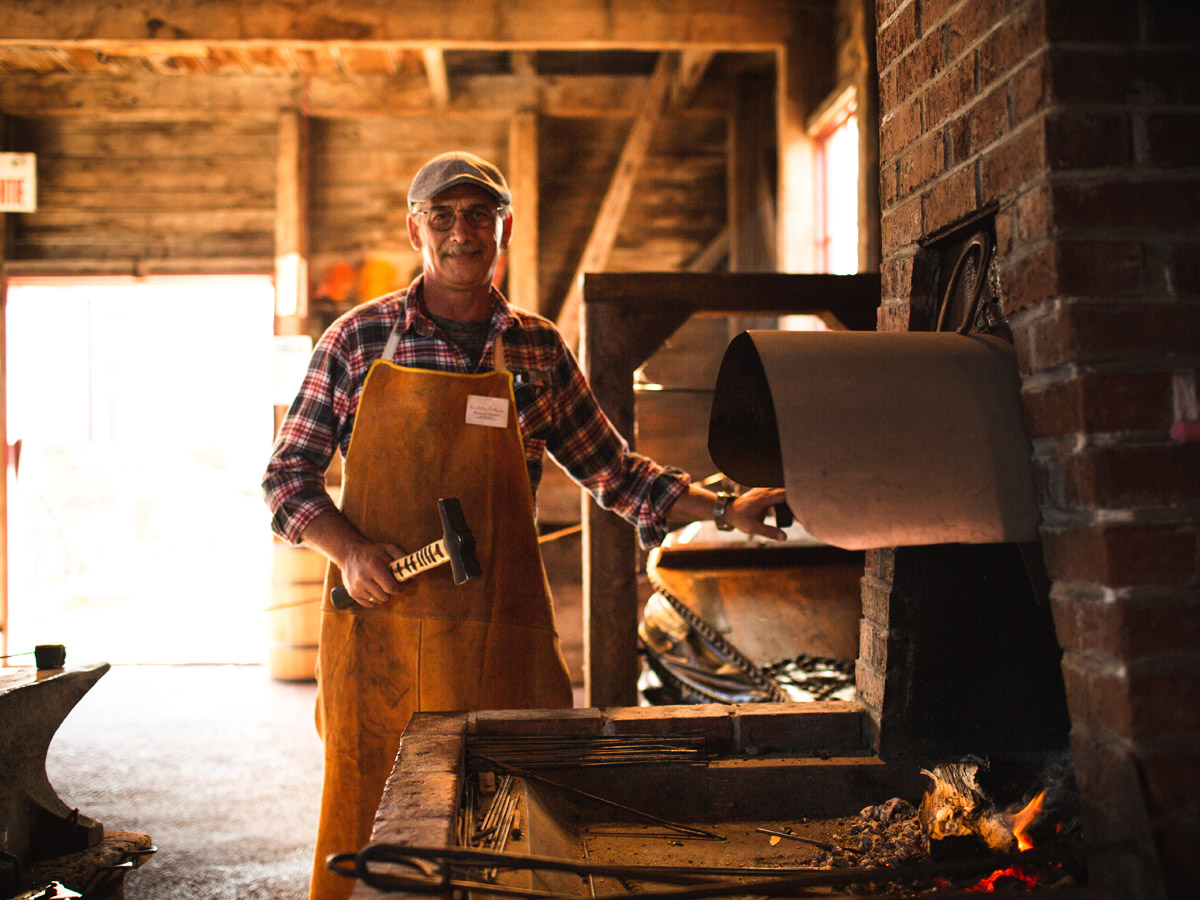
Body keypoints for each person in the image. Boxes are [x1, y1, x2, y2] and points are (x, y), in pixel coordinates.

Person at [262, 151, 787, 900]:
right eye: (441, 217)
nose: (460, 232)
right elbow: (286, 480)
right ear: (416, 230)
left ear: (503, 228)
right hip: (383, 631)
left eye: (479, 215)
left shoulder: (537, 348)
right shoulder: (357, 340)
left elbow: (617, 472)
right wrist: (347, 551)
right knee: (373, 821)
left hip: (501, 627)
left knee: (520, 817)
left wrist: (724, 509)